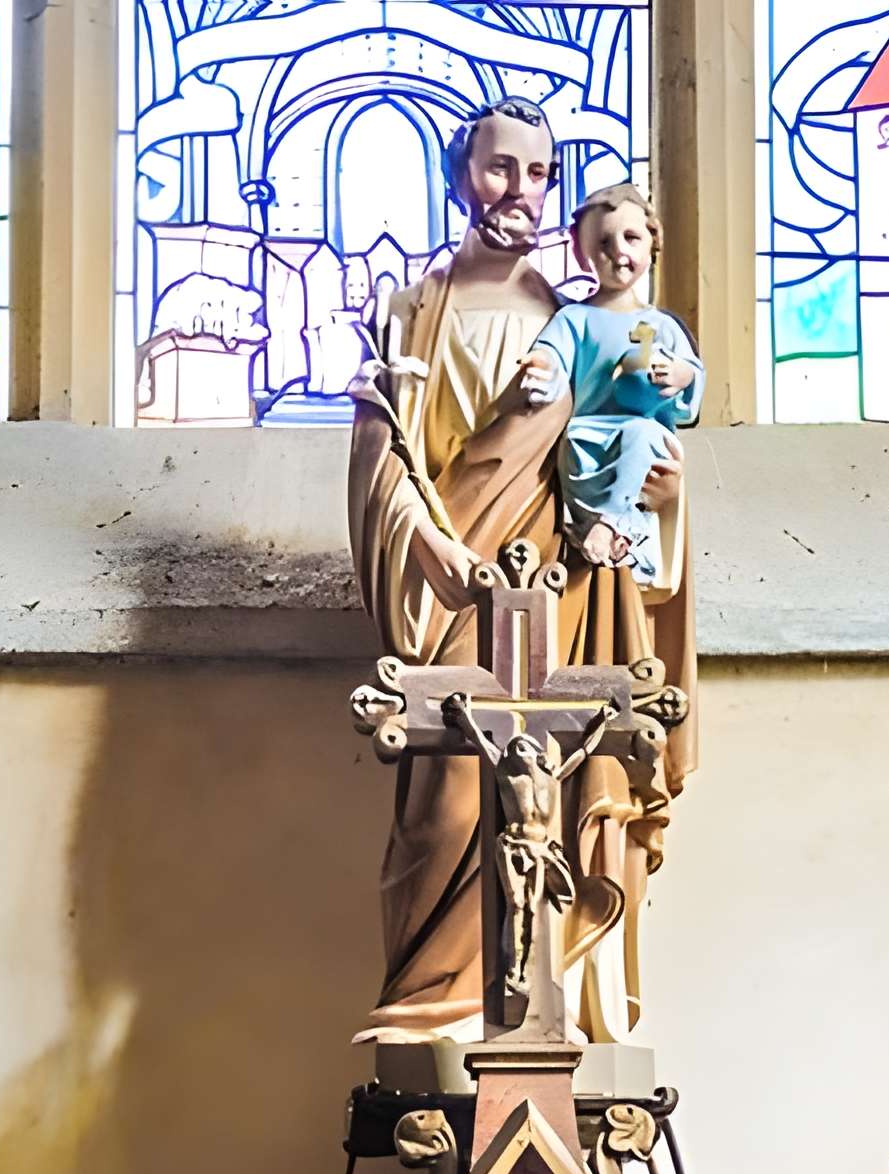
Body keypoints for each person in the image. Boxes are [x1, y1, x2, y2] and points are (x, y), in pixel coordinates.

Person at [344, 102, 697, 1042]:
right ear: (462, 176)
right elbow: (384, 458)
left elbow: (635, 443)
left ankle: (559, 1011)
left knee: (568, 788)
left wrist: (664, 500)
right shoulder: (415, 313)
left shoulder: (576, 320)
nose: (521, 191)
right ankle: (439, 1013)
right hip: (456, 590)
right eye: (501, 168)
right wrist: (437, 555)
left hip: (566, 596)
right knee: (448, 799)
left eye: (540, 173)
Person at [521, 184, 700, 580]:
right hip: (587, 438)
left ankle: (617, 525)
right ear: (579, 250)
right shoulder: (575, 319)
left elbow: (690, 384)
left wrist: (681, 375)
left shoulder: (663, 326)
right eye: (603, 241)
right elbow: (553, 354)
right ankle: (606, 528)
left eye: (632, 237)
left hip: (644, 443)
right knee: (580, 445)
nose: (619, 251)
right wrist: (541, 365)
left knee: (641, 434)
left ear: (652, 241)